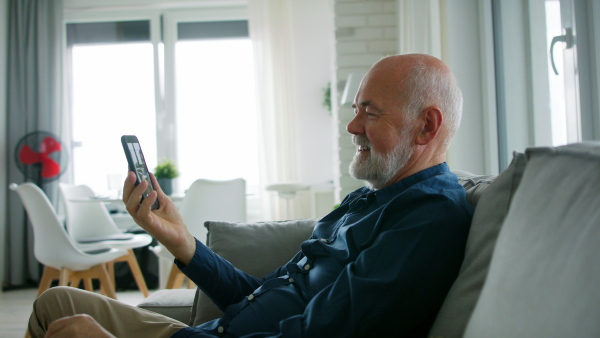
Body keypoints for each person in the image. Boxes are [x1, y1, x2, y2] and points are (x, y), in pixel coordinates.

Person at [29, 53, 473, 338]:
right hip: (224, 331)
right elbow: (260, 296)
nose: (352, 126)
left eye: (369, 112)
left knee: (69, 325)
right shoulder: (368, 200)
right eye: (355, 109)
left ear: (426, 126)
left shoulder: (426, 218)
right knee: (57, 302)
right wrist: (180, 241)